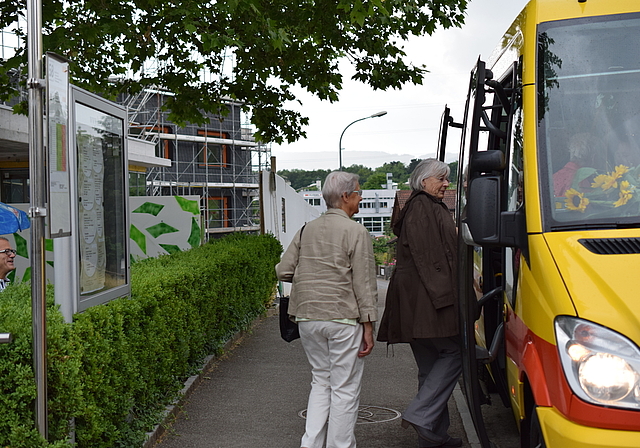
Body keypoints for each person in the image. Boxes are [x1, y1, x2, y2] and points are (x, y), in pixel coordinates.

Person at [276, 171, 378, 448]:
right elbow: (364, 284)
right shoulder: (356, 231)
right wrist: (369, 326)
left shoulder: (307, 229)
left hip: (307, 317)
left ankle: (310, 444)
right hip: (343, 317)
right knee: (344, 388)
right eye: (358, 193)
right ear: (345, 197)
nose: (360, 198)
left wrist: (308, 276)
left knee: (321, 382)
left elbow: (283, 270)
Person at [377, 159, 462, 448]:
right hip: (429, 300)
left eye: (447, 179)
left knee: (429, 364)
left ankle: (432, 436)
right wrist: (447, 299)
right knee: (455, 351)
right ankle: (421, 415)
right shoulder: (425, 207)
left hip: (413, 300)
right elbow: (433, 260)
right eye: (441, 178)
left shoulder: (414, 206)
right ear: (424, 181)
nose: (446, 184)